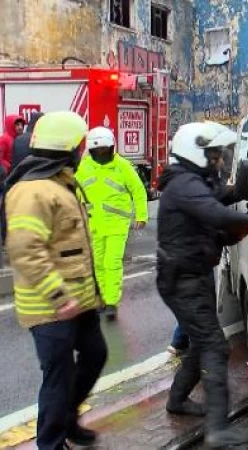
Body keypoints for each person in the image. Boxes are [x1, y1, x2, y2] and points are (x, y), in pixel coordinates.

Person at [4, 111, 108, 450]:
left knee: (95, 355)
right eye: (78, 146)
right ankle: (51, 442)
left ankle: (68, 421)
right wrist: (58, 296)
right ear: (66, 148)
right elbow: (25, 249)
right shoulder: (32, 191)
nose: (82, 152)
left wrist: (91, 295)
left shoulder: (59, 182)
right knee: (58, 377)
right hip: (51, 307)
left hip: (78, 301)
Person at [156, 121, 248, 448]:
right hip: (183, 279)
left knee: (202, 342)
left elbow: (216, 202)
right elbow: (217, 215)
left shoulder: (190, 182)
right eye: (214, 155)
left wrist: (238, 195)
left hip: (190, 274)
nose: (218, 161)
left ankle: (177, 400)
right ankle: (218, 430)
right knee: (215, 346)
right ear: (196, 153)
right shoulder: (185, 185)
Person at [75, 127, 148, 320]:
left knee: (112, 262)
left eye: (104, 149)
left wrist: (141, 216)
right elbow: (76, 192)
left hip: (117, 224)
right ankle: (101, 299)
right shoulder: (84, 167)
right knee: (98, 263)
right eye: (97, 150)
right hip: (93, 224)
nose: (101, 153)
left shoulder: (122, 166)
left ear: (112, 147)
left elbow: (138, 190)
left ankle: (111, 302)